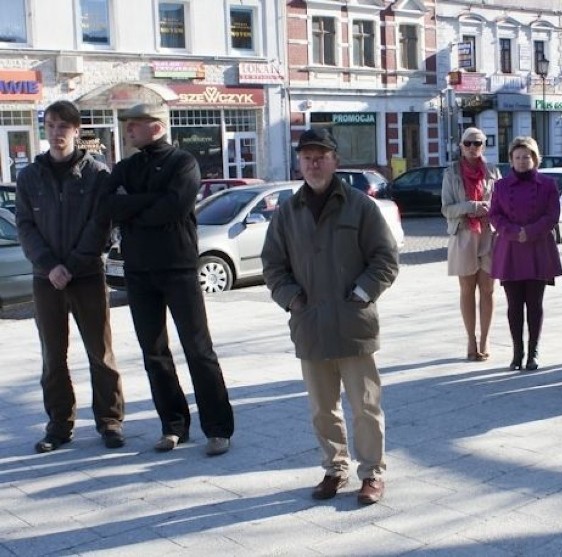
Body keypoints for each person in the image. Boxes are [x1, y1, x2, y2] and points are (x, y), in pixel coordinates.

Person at [261, 128, 399, 505]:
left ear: (335, 161)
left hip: (354, 323)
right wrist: (292, 300)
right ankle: (334, 468)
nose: (313, 163)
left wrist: (362, 292)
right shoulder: (288, 212)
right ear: (299, 163)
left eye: (320, 156)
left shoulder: (360, 206)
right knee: (322, 408)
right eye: (307, 157)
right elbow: (273, 265)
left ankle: (372, 472)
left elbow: (385, 259)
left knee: (365, 406)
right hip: (310, 324)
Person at [101, 103, 234, 456]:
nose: (127, 130)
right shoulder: (126, 167)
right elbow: (108, 205)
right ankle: (174, 425)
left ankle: (218, 428)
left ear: (156, 127)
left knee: (198, 349)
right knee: (154, 352)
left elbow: (173, 207)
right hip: (139, 270)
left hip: (178, 267)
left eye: (134, 124)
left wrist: (133, 208)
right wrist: (144, 206)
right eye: (126, 123)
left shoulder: (183, 163)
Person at [16, 100, 125, 453]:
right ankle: (59, 425)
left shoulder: (97, 175)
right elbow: (25, 226)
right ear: (44, 130)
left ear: (77, 131)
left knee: (100, 353)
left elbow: (102, 226)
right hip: (46, 279)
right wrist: (50, 266)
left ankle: (110, 421)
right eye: (50, 125)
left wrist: (73, 265)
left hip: (87, 276)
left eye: (64, 126)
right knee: (53, 356)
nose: (56, 132)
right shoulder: (29, 176)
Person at [489, 136, 562, 371]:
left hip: (537, 247)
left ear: (535, 159)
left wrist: (529, 232)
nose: (522, 161)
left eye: (527, 157)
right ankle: (517, 352)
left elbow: (552, 215)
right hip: (510, 249)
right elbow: (494, 215)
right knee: (513, 305)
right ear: (511, 160)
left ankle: (533, 352)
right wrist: (513, 232)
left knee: (535, 303)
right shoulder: (500, 186)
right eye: (518, 157)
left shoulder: (548, 184)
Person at [441, 127, 501, 361]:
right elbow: (446, 209)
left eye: (477, 143)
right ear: (461, 146)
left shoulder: (493, 171)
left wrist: (491, 210)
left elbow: (502, 203)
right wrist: (471, 206)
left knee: (488, 289)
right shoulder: (451, 172)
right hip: (463, 233)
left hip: (488, 233)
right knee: (467, 290)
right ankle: (471, 339)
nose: (472, 147)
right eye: (468, 143)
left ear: (484, 146)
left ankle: (485, 340)